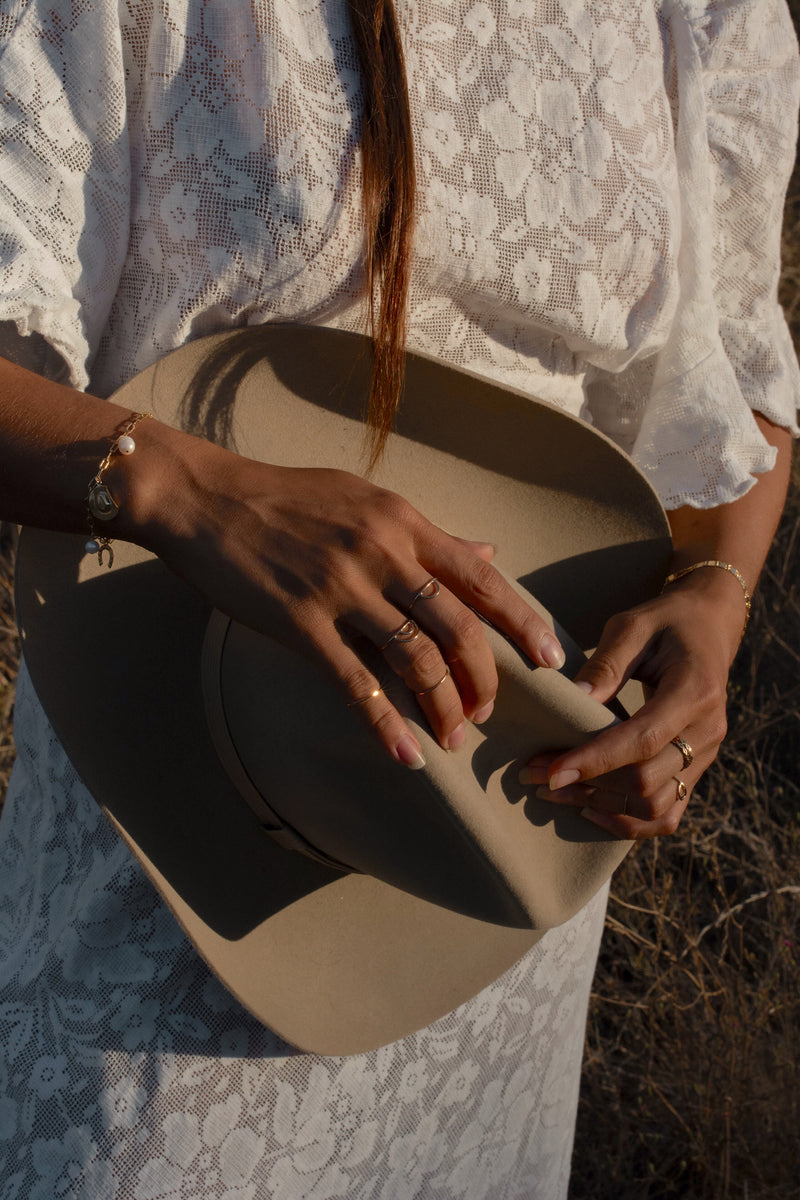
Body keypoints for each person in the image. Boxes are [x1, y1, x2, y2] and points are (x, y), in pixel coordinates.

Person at [0, 0, 797, 1196]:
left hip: (490, 831)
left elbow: (740, 358)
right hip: (177, 835)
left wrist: (715, 595)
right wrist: (197, 496)